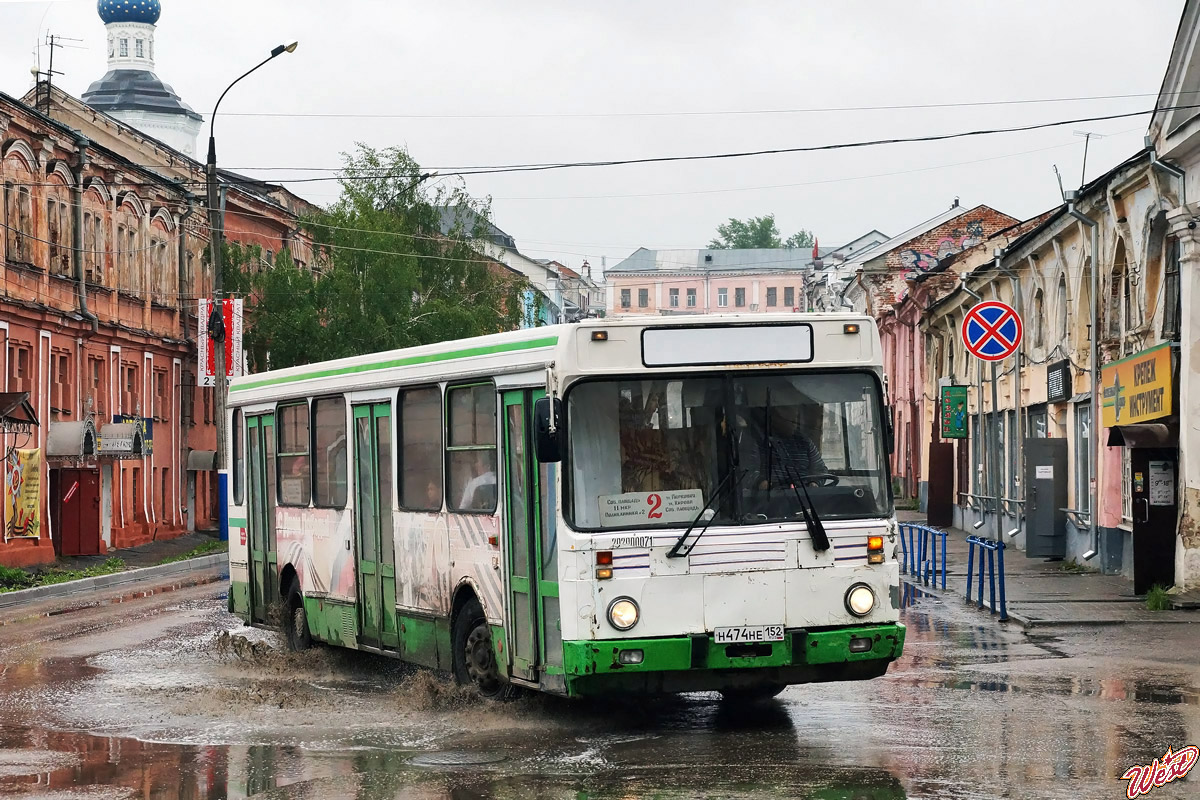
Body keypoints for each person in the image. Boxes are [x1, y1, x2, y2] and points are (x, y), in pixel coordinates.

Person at [751, 392, 828, 490]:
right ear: (774, 416)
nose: (794, 422)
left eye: (795, 418)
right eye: (790, 419)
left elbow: (820, 469)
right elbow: (748, 472)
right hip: (771, 500)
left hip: (804, 498)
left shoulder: (804, 442)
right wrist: (762, 484)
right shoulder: (759, 441)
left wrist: (815, 483)